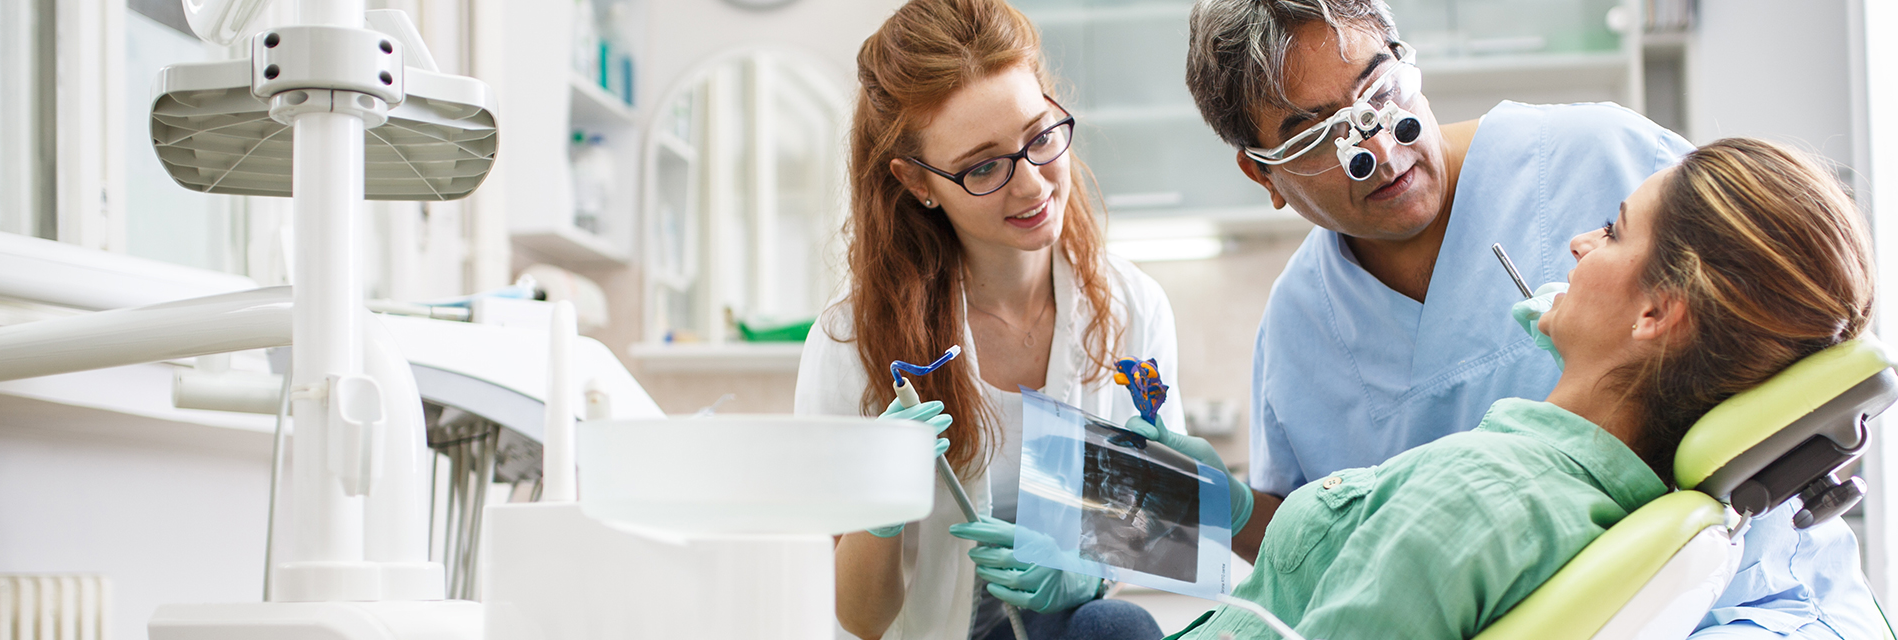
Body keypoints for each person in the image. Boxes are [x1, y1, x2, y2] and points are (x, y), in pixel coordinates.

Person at [1177, 1, 1883, 636]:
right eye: (1313, 137)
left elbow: (1779, 312)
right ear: (1262, 173)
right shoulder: (1303, 325)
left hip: (1739, 605)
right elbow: (1330, 561)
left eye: (1379, 94)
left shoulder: (1607, 158)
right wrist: (1228, 510)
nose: (1381, 150)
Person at [793, 1, 1237, 639]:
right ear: (917, 181)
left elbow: (1154, 534)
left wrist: (1080, 572)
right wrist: (882, 499)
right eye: (984, 167)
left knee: (1116, 624)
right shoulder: (849, 346)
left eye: (1040, 137)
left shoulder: (1133, 308)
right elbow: (855, 619)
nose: (1031, 185)